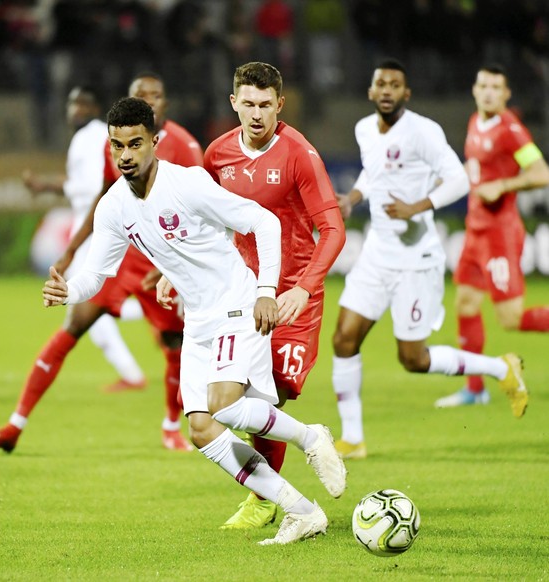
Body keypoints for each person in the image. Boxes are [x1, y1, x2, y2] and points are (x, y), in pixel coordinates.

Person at [42, 96, 347, 545]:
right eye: (117, 146)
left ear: (155, 142)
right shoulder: (113, 207)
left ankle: (310, 436)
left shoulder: (187, 184)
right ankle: (301, 511)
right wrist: (69, 289)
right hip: (200, 318)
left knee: (224, 405)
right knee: (203, 430)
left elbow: (263, 222)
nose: (125, 156)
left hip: (236, 302)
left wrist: (266, 291)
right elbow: (97, 273)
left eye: (135, 144)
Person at [0, 73, 201, 454]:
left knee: (174, 343)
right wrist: (70, 252)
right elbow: (104, 195)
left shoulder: (184, 147)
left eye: (156, 96)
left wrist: (173, 265)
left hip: (161, 263)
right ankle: (15, 425)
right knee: (72, 328)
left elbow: (201, 213)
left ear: (166, 102)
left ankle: (170, 427)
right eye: (140, 96)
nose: (149, 102)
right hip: (120, 258)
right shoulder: (114, 144)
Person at [331, 59, 529, 460]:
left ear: (406, 93)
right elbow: (374, 172)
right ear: (371, 92)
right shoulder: (364, 129)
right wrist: (351, 199)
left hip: (416, 257)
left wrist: (416, 206)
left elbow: (458, 178)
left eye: (395, 84)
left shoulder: (423, 131)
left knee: (413, 359)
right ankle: (353, 438)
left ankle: (499, 368)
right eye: (380, 83)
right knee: (343, 339)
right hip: (376, 254)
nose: (386, 89)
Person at [204, 61, 346, 530]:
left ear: (280, 105)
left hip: (291, 297)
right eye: (248, 103)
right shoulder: (217, 155)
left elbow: (333, 228)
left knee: (275, 393)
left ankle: (271, 493)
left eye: (266, 104)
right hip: (242, 296)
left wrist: (304, 289)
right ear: (234, 104)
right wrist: (177, 272)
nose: (257, 113)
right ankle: (267, 497)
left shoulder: (299, 154)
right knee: (241, 398)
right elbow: (207, 220)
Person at [435, 64, 549, 409]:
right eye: (483, 85)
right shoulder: (474, 121)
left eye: (495, 87)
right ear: (474, 89)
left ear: (505, 93)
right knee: (465, 304)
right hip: (475, 232)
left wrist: (505, 184)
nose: (487, 92)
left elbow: (541, 172)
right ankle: (474, 389)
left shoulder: (511, 130)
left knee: (510, 319)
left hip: (500, 233)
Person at [22, 85, 148, 392]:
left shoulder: (86, 138)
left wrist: (50, 191)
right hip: (98, 221)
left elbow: (94, 187)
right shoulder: (97, 136)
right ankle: (131, 372)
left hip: (93, 223)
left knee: (84, 302)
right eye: (71, 105)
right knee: (86, 303)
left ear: (93, 109)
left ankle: (147, 316)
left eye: (80, 105)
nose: (73, 111)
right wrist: (45, 187)